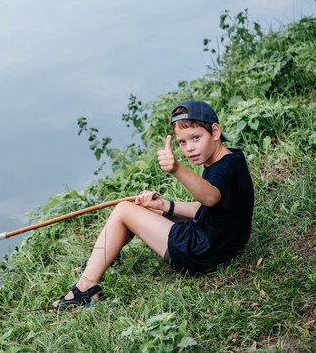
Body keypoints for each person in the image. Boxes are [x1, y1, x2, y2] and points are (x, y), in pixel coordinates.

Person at [53, 99, 255, 309]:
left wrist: (177, 168)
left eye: (195, 137)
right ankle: (102, 259)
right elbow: (212, 207)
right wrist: (165, 206)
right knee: (142, 208)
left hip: (202, 253)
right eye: (182, 142)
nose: (189, 148)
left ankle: (86, 288)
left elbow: (211, 198)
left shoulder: (221, 170)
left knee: (123, 210)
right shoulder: (231, 158)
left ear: (215, 132)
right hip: (222, 246)